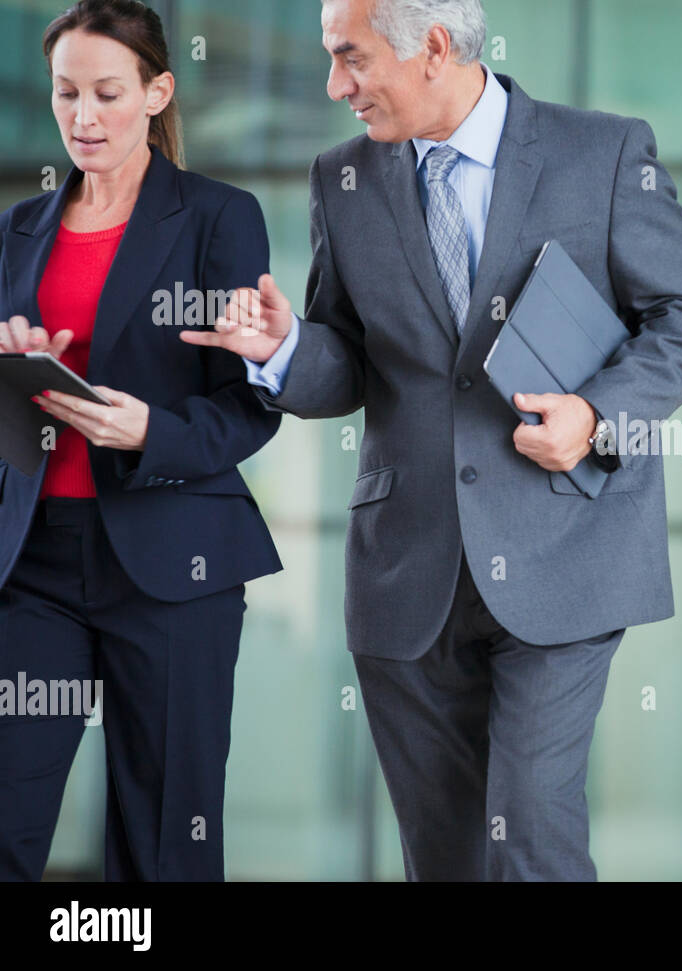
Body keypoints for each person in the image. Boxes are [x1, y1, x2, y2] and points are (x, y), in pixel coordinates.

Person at [188, 0, 682, 881]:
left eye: (351, 58)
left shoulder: (604, 153)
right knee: (443, 855)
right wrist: (283, 348)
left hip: (567, 552)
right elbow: (350, 363)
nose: (336, 87)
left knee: (532, 831)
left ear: (433, 47)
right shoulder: (342, 179)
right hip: (411, 566)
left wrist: (595, 417)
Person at [0, 0, 282, 881]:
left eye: (108, 93)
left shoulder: (217, 217)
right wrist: (20, 374)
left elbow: (250, 408)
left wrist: (150, 429)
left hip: (173, 567)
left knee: (165, 837)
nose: (84, 117)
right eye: (67, 93)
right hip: (35, 560)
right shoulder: (17, 230)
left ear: (158, 92)